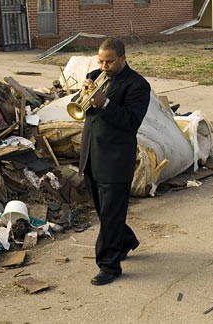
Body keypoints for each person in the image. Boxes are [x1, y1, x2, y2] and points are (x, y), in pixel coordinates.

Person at [78, 37, 151, 285]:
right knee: (104, 211)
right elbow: (87, 111)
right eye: (100, 60)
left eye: (109, 61)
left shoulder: (138, 85)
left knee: (110, 214)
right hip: (91, 153)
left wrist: (105, 103)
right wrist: (85, 96)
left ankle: (109, 265)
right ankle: (125, 240)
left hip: (116, 159)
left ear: (123, 58)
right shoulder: (94, 74)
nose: (104, 66)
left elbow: (131, 122)